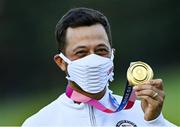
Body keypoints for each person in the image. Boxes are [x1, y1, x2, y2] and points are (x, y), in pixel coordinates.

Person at [22, 7, 176, 127]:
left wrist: (156, 122)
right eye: (81, 53)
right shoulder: (39, 123)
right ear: (61, 62)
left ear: (112, 55)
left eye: (101, 51)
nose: (93, 60)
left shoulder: (143, 113)